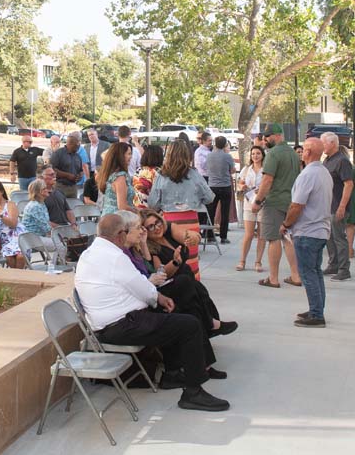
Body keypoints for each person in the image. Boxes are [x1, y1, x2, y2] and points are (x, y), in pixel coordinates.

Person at [75, 211, 230, 412]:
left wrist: (158, 299)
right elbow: (144, 290)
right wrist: (159, 299)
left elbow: (138, 288)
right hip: (120, 325)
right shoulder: (115, 257)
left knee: (175, 310)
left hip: (116, 321)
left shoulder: (90, 253)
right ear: (121, 234)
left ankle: (174, 373)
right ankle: (193, 392)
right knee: (188, 325)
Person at [138, 208, 238, 342]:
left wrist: (193, 237)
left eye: (157, 222)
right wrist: (175, 262)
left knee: (200, 291)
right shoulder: (150, 247)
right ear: (144, 231)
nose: (157, 227)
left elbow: (188, 235)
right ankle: (211, 325)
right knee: (194, 290)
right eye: (151, 226)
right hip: (171, 284)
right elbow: (161, 274)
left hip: (186, 278)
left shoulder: (167, 229)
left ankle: (210, 326)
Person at [278, 138, 334, 327]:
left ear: (308, 152)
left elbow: (297, 205)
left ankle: (317, 314)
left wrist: (286, 223)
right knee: (315, 272)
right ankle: (316, 309)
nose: (301, 152)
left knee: (308, 273)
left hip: (308, 231)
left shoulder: (308, 174)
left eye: (304, 149)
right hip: (320, 230)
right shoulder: (323, 172)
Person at [147, 141, 214, 281]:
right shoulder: (194, 175)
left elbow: (152, 204)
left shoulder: (161, 176)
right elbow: (209, 198)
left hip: (168, 223)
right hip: (190, 221)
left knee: (172, 256)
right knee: (191, 258)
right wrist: (195, 200)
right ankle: (194, 286)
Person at [251, 124, 302, 289]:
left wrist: (257, 201)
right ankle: (295, 275)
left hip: (274, 202)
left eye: (268, 136)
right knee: (288, 239)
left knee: (273, 239)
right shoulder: (294, 154)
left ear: (278, 135)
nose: (266, 140)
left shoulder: (273, 154)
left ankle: (273, 278)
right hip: (291, 201)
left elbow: (267, 180)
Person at [320, 132, 354, 281]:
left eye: (324, 143)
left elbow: (349, 184)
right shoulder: (327, 160)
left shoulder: (342, 161)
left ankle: (344, 269)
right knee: (329, 237)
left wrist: (342, 206)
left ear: (333, 143)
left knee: (339, 237)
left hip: (338, 206)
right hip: (328, 206)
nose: (322, 146)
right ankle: (333, 264)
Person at [236, 144, 266, 271]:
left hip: (263, 204)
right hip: (249, 203)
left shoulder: (266, 169)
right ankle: (242, 260)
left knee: (261, 234)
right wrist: (241, 186)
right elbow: (239, 184)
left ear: (263, 155)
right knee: (248, 234)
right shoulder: (246, 169)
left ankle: (258, 262)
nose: (255, 156)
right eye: (253, 154)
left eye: (258, 153)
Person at [204, 136, 236, 244]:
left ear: (215, 143)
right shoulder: (228, 157)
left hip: (212, 186)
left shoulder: (209, 156)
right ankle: (223, 236)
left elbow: (206, 168)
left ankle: (210, 236)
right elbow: (232, 170)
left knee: (211, 211)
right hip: (225, 186)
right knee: (224, 212)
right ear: (225, 144)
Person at [97, 141, 137, 214]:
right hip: (117, 219)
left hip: (108, 217)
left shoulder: (109, 173)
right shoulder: (120, 177)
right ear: (120, 156)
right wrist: (139, 211)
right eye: (129, 154)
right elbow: (122, 206)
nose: (131, 157)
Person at [49, 132, 85, 200]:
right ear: (70, 144)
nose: (78, 148)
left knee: (72, 207)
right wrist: (67, 175)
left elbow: (80, 170)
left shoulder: (78, 156)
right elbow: (52, 169)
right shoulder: (58, 154)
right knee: (60, 207)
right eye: (76, 146)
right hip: (61, 187)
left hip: (73, 188)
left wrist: (80, 175)